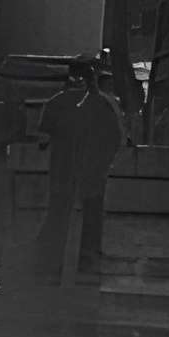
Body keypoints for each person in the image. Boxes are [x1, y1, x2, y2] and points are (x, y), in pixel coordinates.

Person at [34, 54, 127, 285]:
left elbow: (43, 140)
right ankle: (88, 261)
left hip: (63, 169)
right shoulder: (104, 104)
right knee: (92, 215)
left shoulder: (56, 102)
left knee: (58, 214)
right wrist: (104, 162)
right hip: (94, 169)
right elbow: (117, 138)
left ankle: (49, 263)